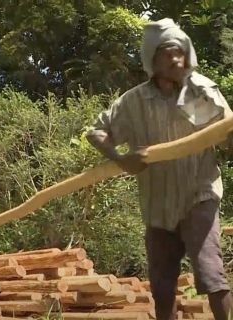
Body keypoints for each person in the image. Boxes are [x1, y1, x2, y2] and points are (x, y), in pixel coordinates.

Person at [86, 18, 233, 320]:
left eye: (181, 51)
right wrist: (121, 158)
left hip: (198, 195)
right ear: (152, 58)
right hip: (157, 206)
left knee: (210, 274)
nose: (177, 59)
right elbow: (96, 132)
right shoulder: (134, 102)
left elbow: (227, 141)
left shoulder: (200, 92)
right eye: (168, 53)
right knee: (162, 287)